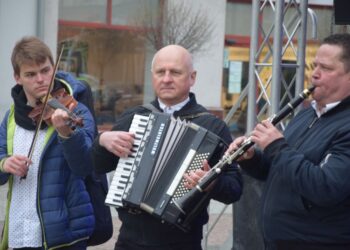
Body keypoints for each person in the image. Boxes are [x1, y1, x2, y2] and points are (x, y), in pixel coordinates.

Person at [91, 44, 243, 250]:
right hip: (130, 240)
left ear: (192, 77)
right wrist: (102, 140)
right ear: (152, 75)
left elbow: (234, 189)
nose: (167, 79)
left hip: (182, 243)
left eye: (176, 72)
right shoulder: (135, 117)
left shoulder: (212, 126)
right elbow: (96, 166)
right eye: (161, 72)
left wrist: (211, 183)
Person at [228, 33, 350, 250]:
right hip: (280, 241)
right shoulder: (306, 114)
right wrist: (252, 158)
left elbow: (326, 186)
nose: (315, 75)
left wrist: (276, 147)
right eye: (315, 66)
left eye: (327, 69)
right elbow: (277, 171)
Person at [0, 36, 96, 250]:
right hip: (18, 231)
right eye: (31, 74)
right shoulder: (11, 117)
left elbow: (86, 166)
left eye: (45, 70)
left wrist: (66, 133)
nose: (40, 79)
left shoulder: (76, 111)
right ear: (18, 77)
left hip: (62, 236)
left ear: (54, 68)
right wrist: (4, 164)